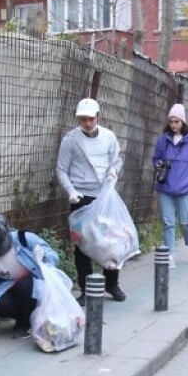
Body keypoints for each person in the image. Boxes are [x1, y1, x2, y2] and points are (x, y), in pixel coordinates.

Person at [56, 97, 126, 301]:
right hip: (80, 198)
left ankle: (112, 284)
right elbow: (62, 169)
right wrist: (70, 190)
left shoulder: (109, 137)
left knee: (111, 241)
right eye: (83, 119)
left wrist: (113, 171)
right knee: (82, 245)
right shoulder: (71, 139)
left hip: (104, 196)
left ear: (98, 117)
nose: (87, 123)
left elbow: (116, 159)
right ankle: (86, 289)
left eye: (90, 119)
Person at [152, 103, 188, 265]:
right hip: (165, 188)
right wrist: (158, 164)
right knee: (168, 223)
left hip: (185, 189)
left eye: (177, 121)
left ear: (183, 122)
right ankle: (170, 256)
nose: (174, 125)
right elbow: (155, 158)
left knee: (185, 223)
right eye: (171, 121)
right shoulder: (163, 140)